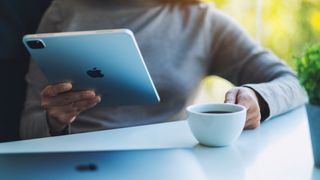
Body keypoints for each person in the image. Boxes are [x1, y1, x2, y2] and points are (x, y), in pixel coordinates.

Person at [20, 0, 307, 139]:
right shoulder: (63, 12)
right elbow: (27, 127)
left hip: (166, 161)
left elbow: (294, 83)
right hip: (75, 163)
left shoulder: (202, 22)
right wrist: (54, 121)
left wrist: (258, 98)